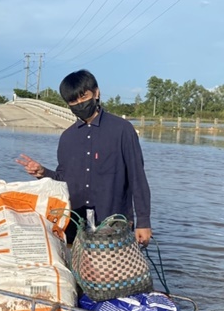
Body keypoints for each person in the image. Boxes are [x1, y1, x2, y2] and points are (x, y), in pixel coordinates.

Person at [16, 69, 152, 246]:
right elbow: (63, 180)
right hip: (75, 224)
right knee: (76, 271)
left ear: (96, 93)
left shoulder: (122, 130)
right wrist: (43, 172)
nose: (79, 103)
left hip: (114, 223)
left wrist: (143, 222)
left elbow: (137, 178)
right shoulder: (67, 137)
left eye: (83, 97)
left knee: (111, 272)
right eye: (72, 100)